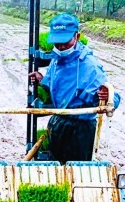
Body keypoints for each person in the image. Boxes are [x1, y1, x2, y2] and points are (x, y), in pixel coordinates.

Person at [28, 13, 114, 164]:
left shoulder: (89, 65)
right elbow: (58, 85)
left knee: (77, 172)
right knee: (56, 167)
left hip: (80, 130)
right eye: (57, 43)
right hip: (59, 122)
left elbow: (111, 96)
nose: (60, 47)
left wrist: (106, 96)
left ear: (77, 36)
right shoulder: (57, 59)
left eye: (65, 42)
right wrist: (42, 80)